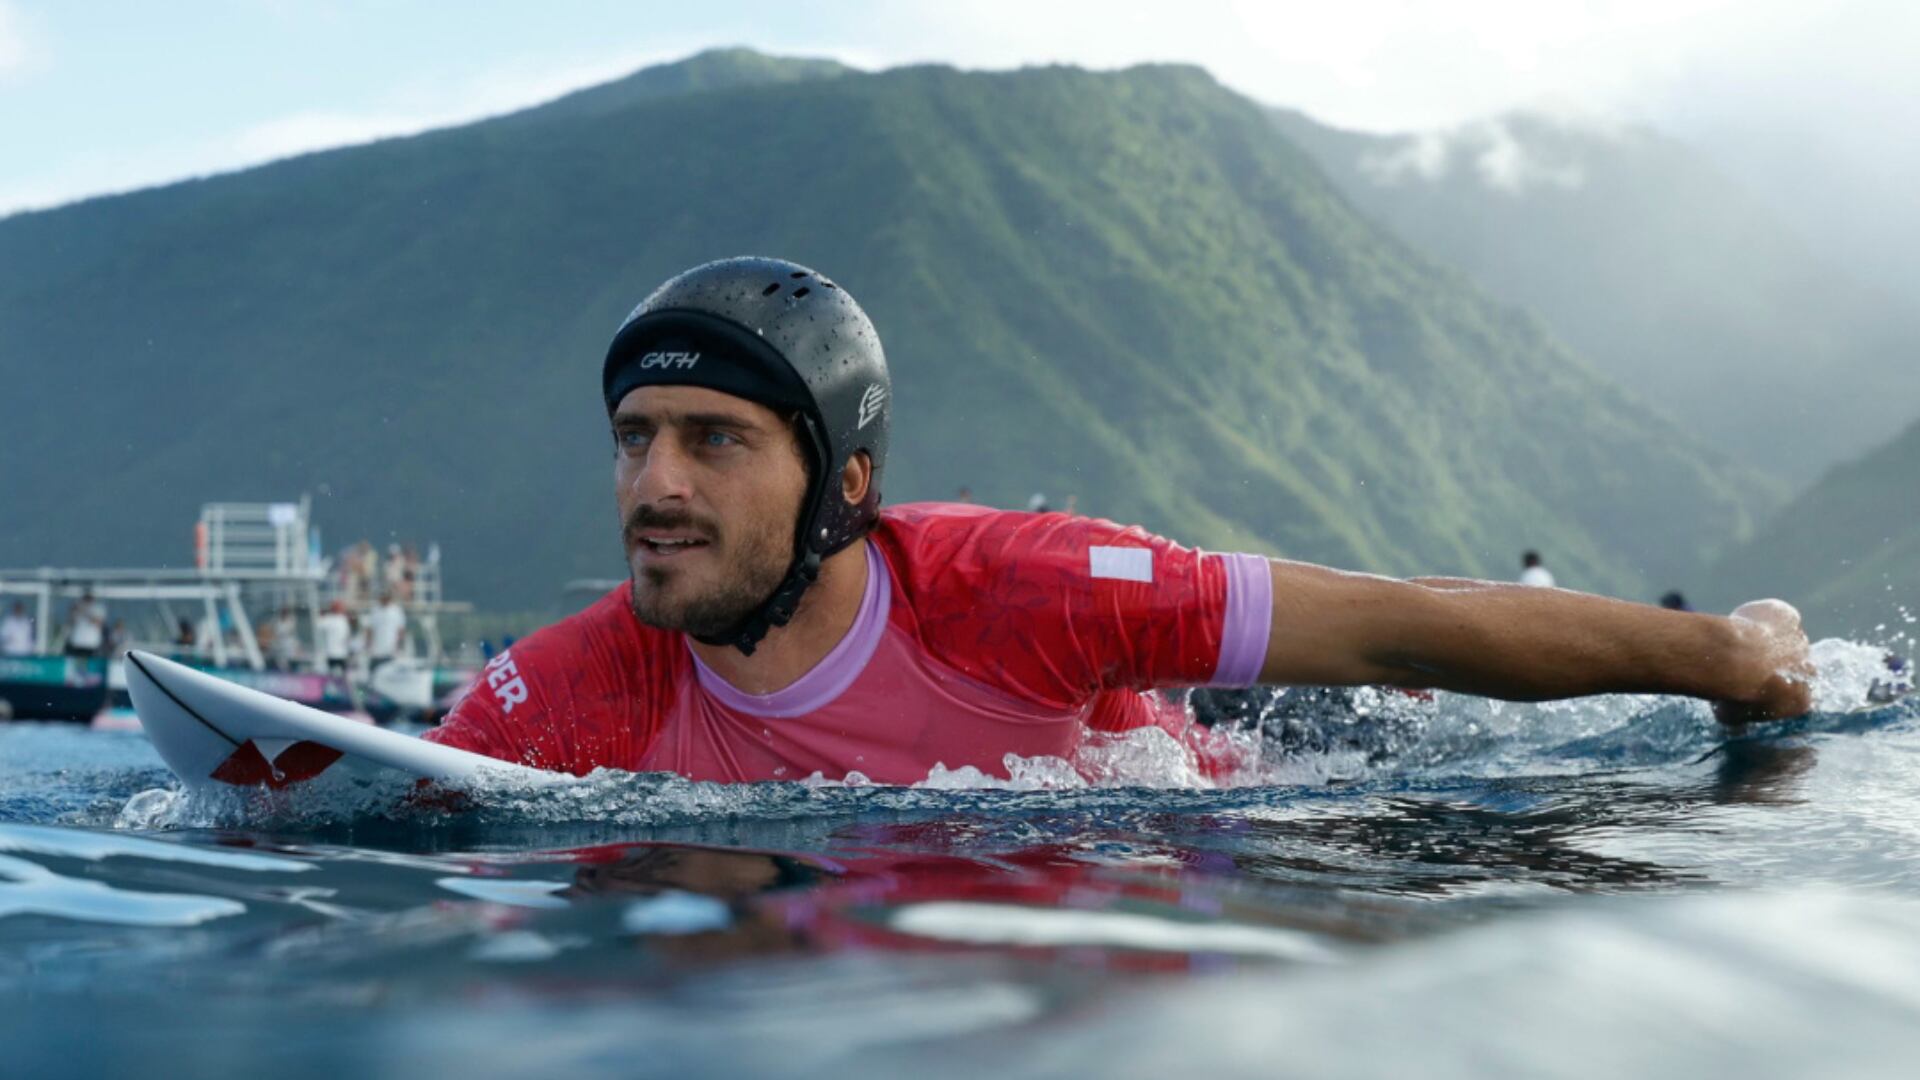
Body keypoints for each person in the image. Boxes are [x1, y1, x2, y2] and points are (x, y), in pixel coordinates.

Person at [427, 256, 1812, 784]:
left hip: (1215, 817)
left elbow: (1410, 626)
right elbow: (339, 797)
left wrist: (1736, 662)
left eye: (713, 441)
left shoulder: (1024, 590)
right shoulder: (573, 690)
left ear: (846, 486)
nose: (655, 486)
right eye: (634, 441)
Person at [365, 592, 407, 673]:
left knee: (390, 671)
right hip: (376, 649)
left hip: (391, 648)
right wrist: (368, 644)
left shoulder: (396, 611)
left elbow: (401, 630)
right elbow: (369, 629)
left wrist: (400, 645)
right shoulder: (374, 610)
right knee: (374, 670)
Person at [63, 589, 107, 659]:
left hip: (91, 644)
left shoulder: (98, 608)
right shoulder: (76, 607)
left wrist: (86, 612)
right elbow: (71, 621)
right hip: (77, 643)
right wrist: (75, 610)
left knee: (91, 666)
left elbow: (99, 623)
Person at [317, 600, 353, 677]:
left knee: (344, 675)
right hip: (331, 653)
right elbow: (318, 626)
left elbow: (347, 635)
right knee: (331, 675)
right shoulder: (328, 619)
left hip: (342, 653)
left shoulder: (343, 619)